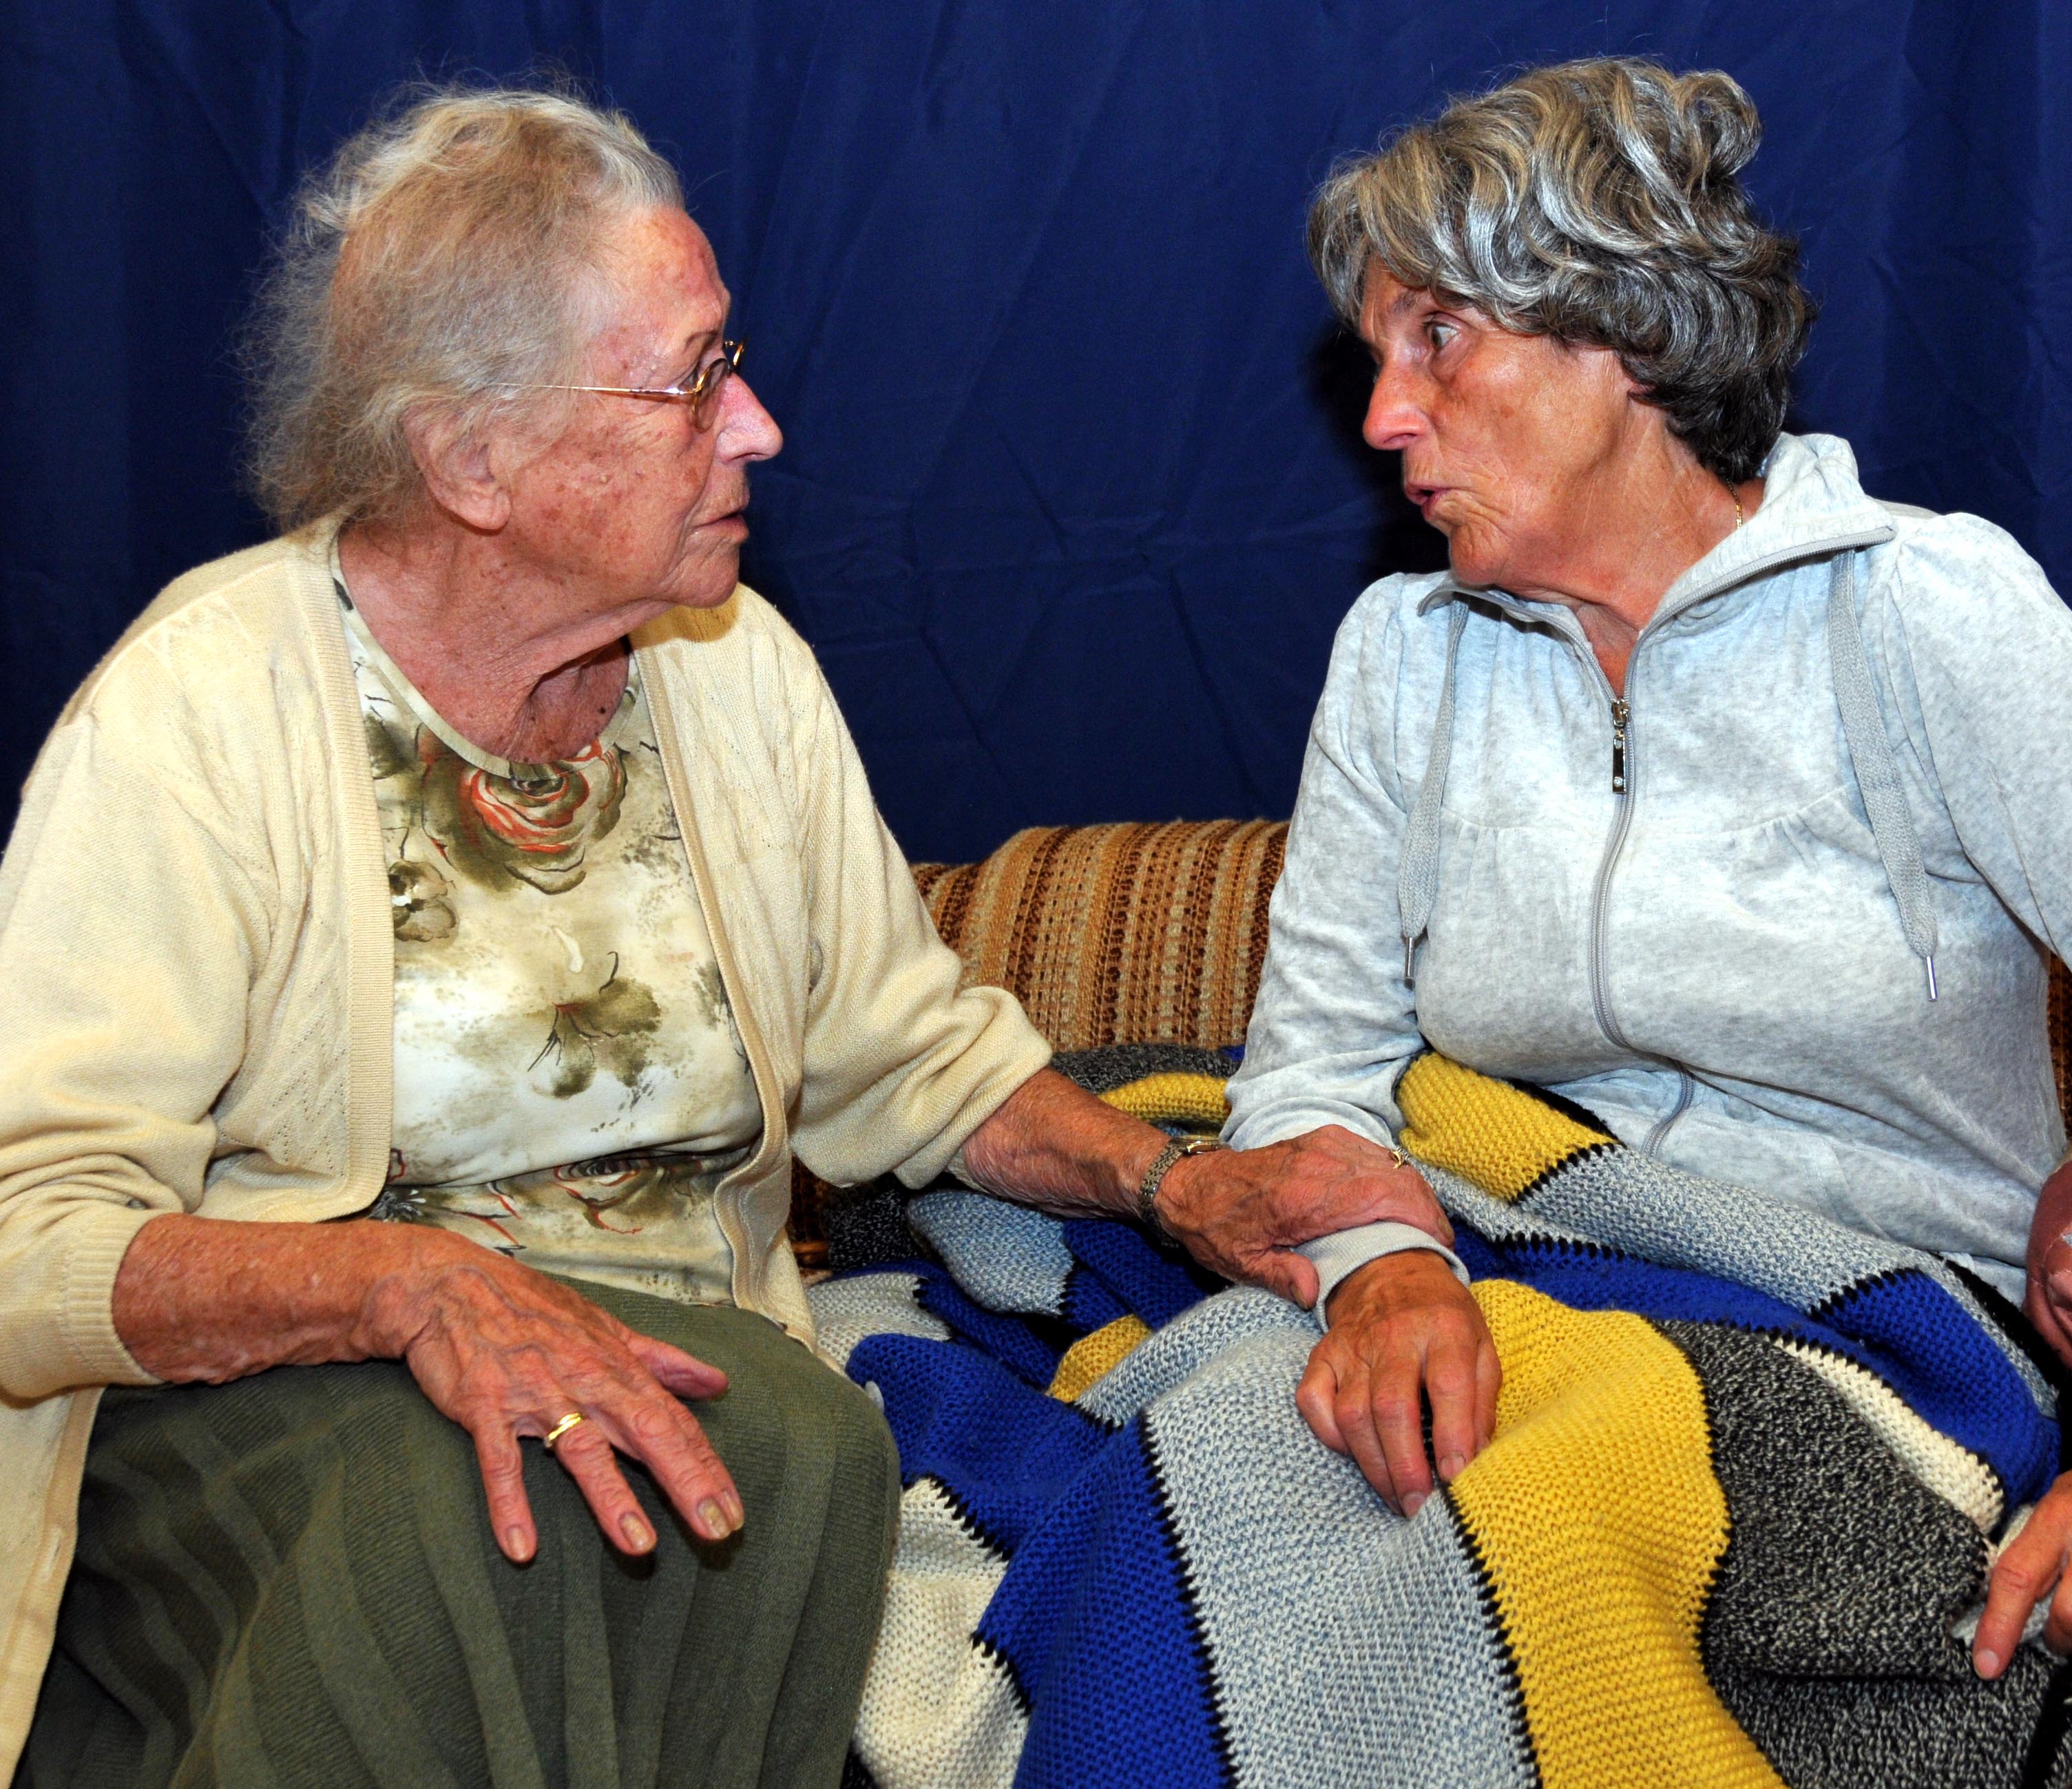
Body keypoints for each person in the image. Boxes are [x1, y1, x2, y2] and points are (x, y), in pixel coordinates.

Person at [0, 85, 1445, 1787]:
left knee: (782, 1446)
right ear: (473, 461)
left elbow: (907, 1055)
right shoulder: (196, 712)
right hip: (287, 1422)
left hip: (697, 1383)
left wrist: (1170, 1181)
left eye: (729, 362)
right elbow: (29, 1236)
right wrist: (405, 1285)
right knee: (495, 1513)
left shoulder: (732, 666)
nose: (755, 425)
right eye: (691, 383)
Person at [1224, 57, 2072, 1680]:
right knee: (1215, 1457)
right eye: (1376, 357)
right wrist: (1379, 1273)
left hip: (1875, 1334)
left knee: (1485, 1537)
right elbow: (1313, 1065)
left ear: (1626, 331)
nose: (1383, 417)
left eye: (1436, 337)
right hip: (1504, 1263)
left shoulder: (1927, 612)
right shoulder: (1403, 655)